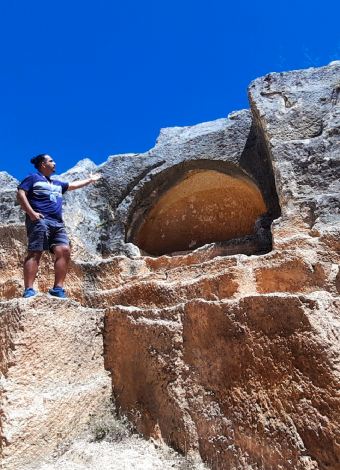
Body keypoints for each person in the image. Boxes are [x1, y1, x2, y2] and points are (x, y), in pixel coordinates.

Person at [17, 154, 101, 298]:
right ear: (43, 164)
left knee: (64, 251)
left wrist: (90, 180)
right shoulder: (32, 177)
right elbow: (20, 194)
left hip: (57, 223)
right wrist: (31, 213)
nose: (54, 163)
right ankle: (29, 289)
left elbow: (72, 185)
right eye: (51, 161)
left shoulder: (56, 184)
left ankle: (58, 288)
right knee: (35, 252)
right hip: (40, 220)